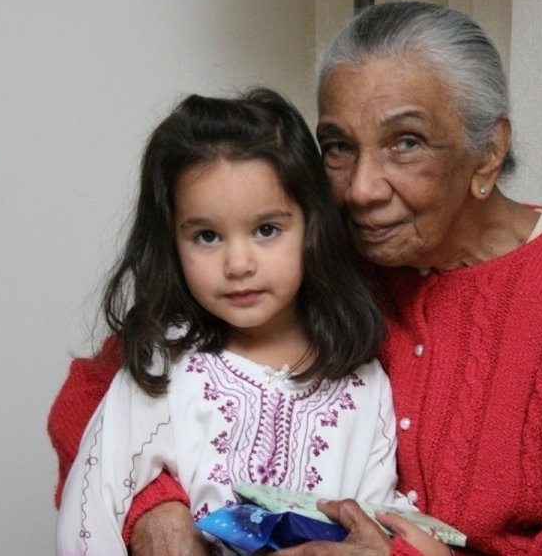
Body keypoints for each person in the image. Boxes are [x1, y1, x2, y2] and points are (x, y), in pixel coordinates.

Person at [49, 1, 542, 556]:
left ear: (488, 151)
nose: (361, 189)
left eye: (405, 142)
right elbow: (104, 393)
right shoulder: (305, 252)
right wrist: (153, 503)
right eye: (339, 147)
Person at [53, 88, 404, 555]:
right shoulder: (163, 364)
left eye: (266, 230)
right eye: (207, 236)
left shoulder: (364, 383)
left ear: (313, 227)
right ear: (172, 242)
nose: (238, 264)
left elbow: (374, 533)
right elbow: (90, 514)